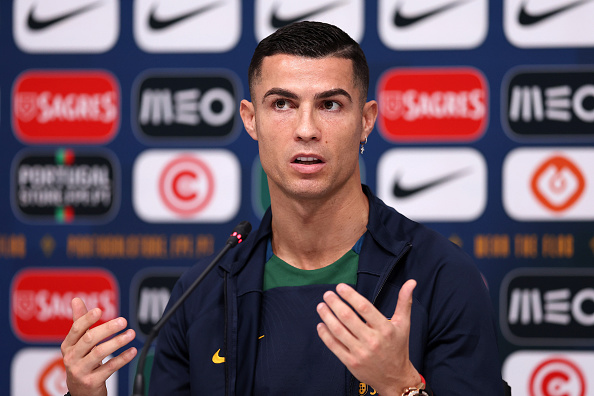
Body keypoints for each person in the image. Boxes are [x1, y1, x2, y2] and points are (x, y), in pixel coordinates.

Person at [61, 21, 505, 395]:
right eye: (282, 105)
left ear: (366, 120)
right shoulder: (200, 293)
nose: (306, 129)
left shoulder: (442, 278)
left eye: (330, 105)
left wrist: (402, 385)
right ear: (251, 120)